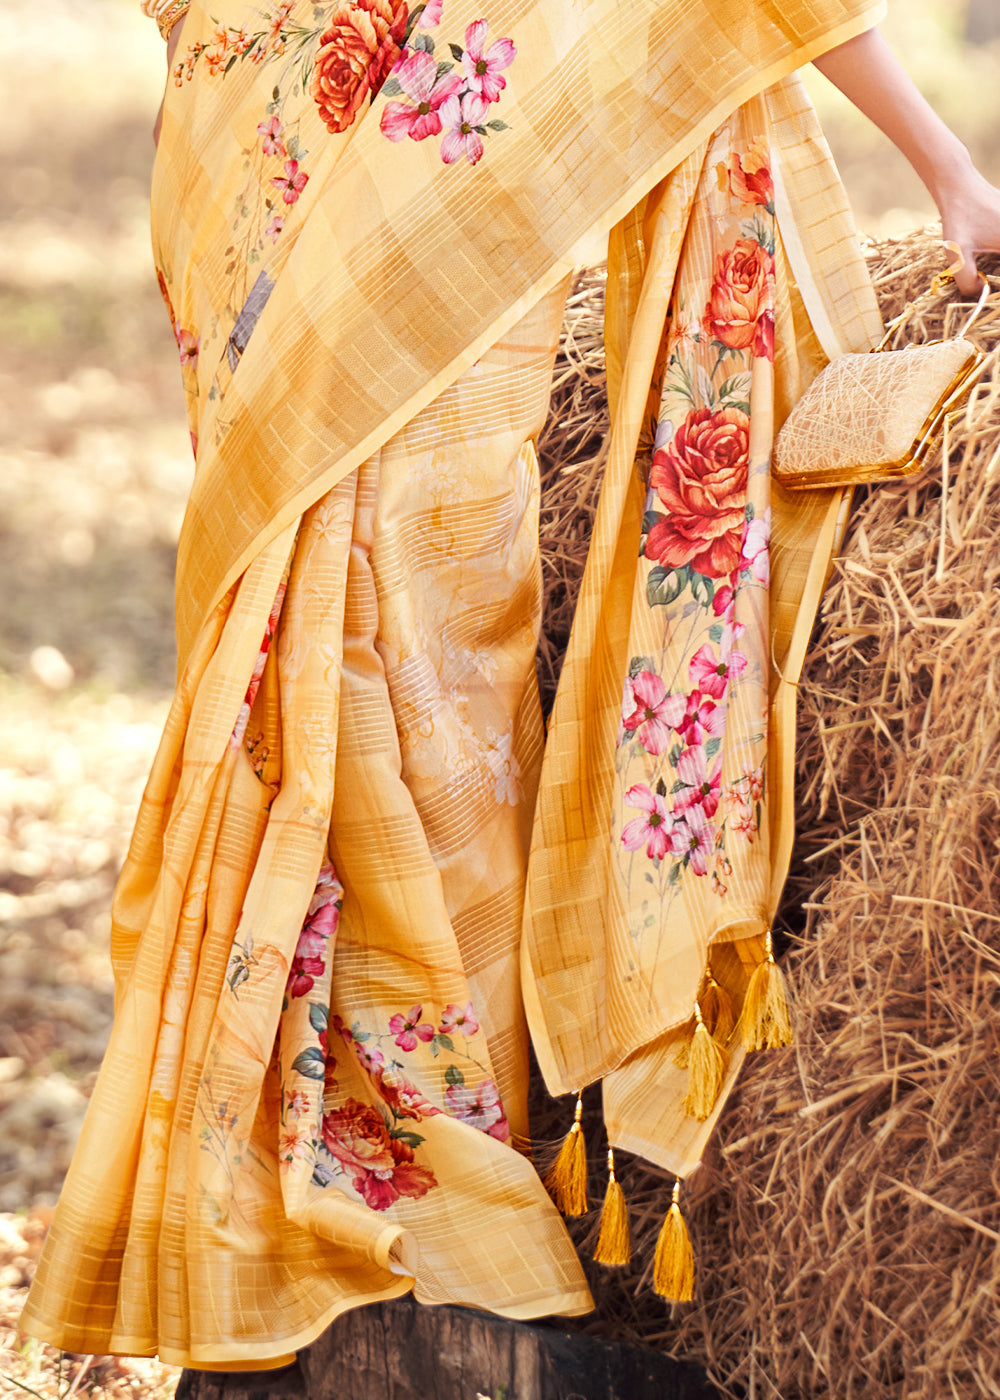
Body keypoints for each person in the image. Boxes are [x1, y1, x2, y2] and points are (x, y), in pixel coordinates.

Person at [20, 0, 1000, 1370]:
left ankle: (429, 1121)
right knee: (323, 607)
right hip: (272, 136)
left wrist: (945, 161)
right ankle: (366, 1141)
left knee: (431, 622)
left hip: (425, 139)